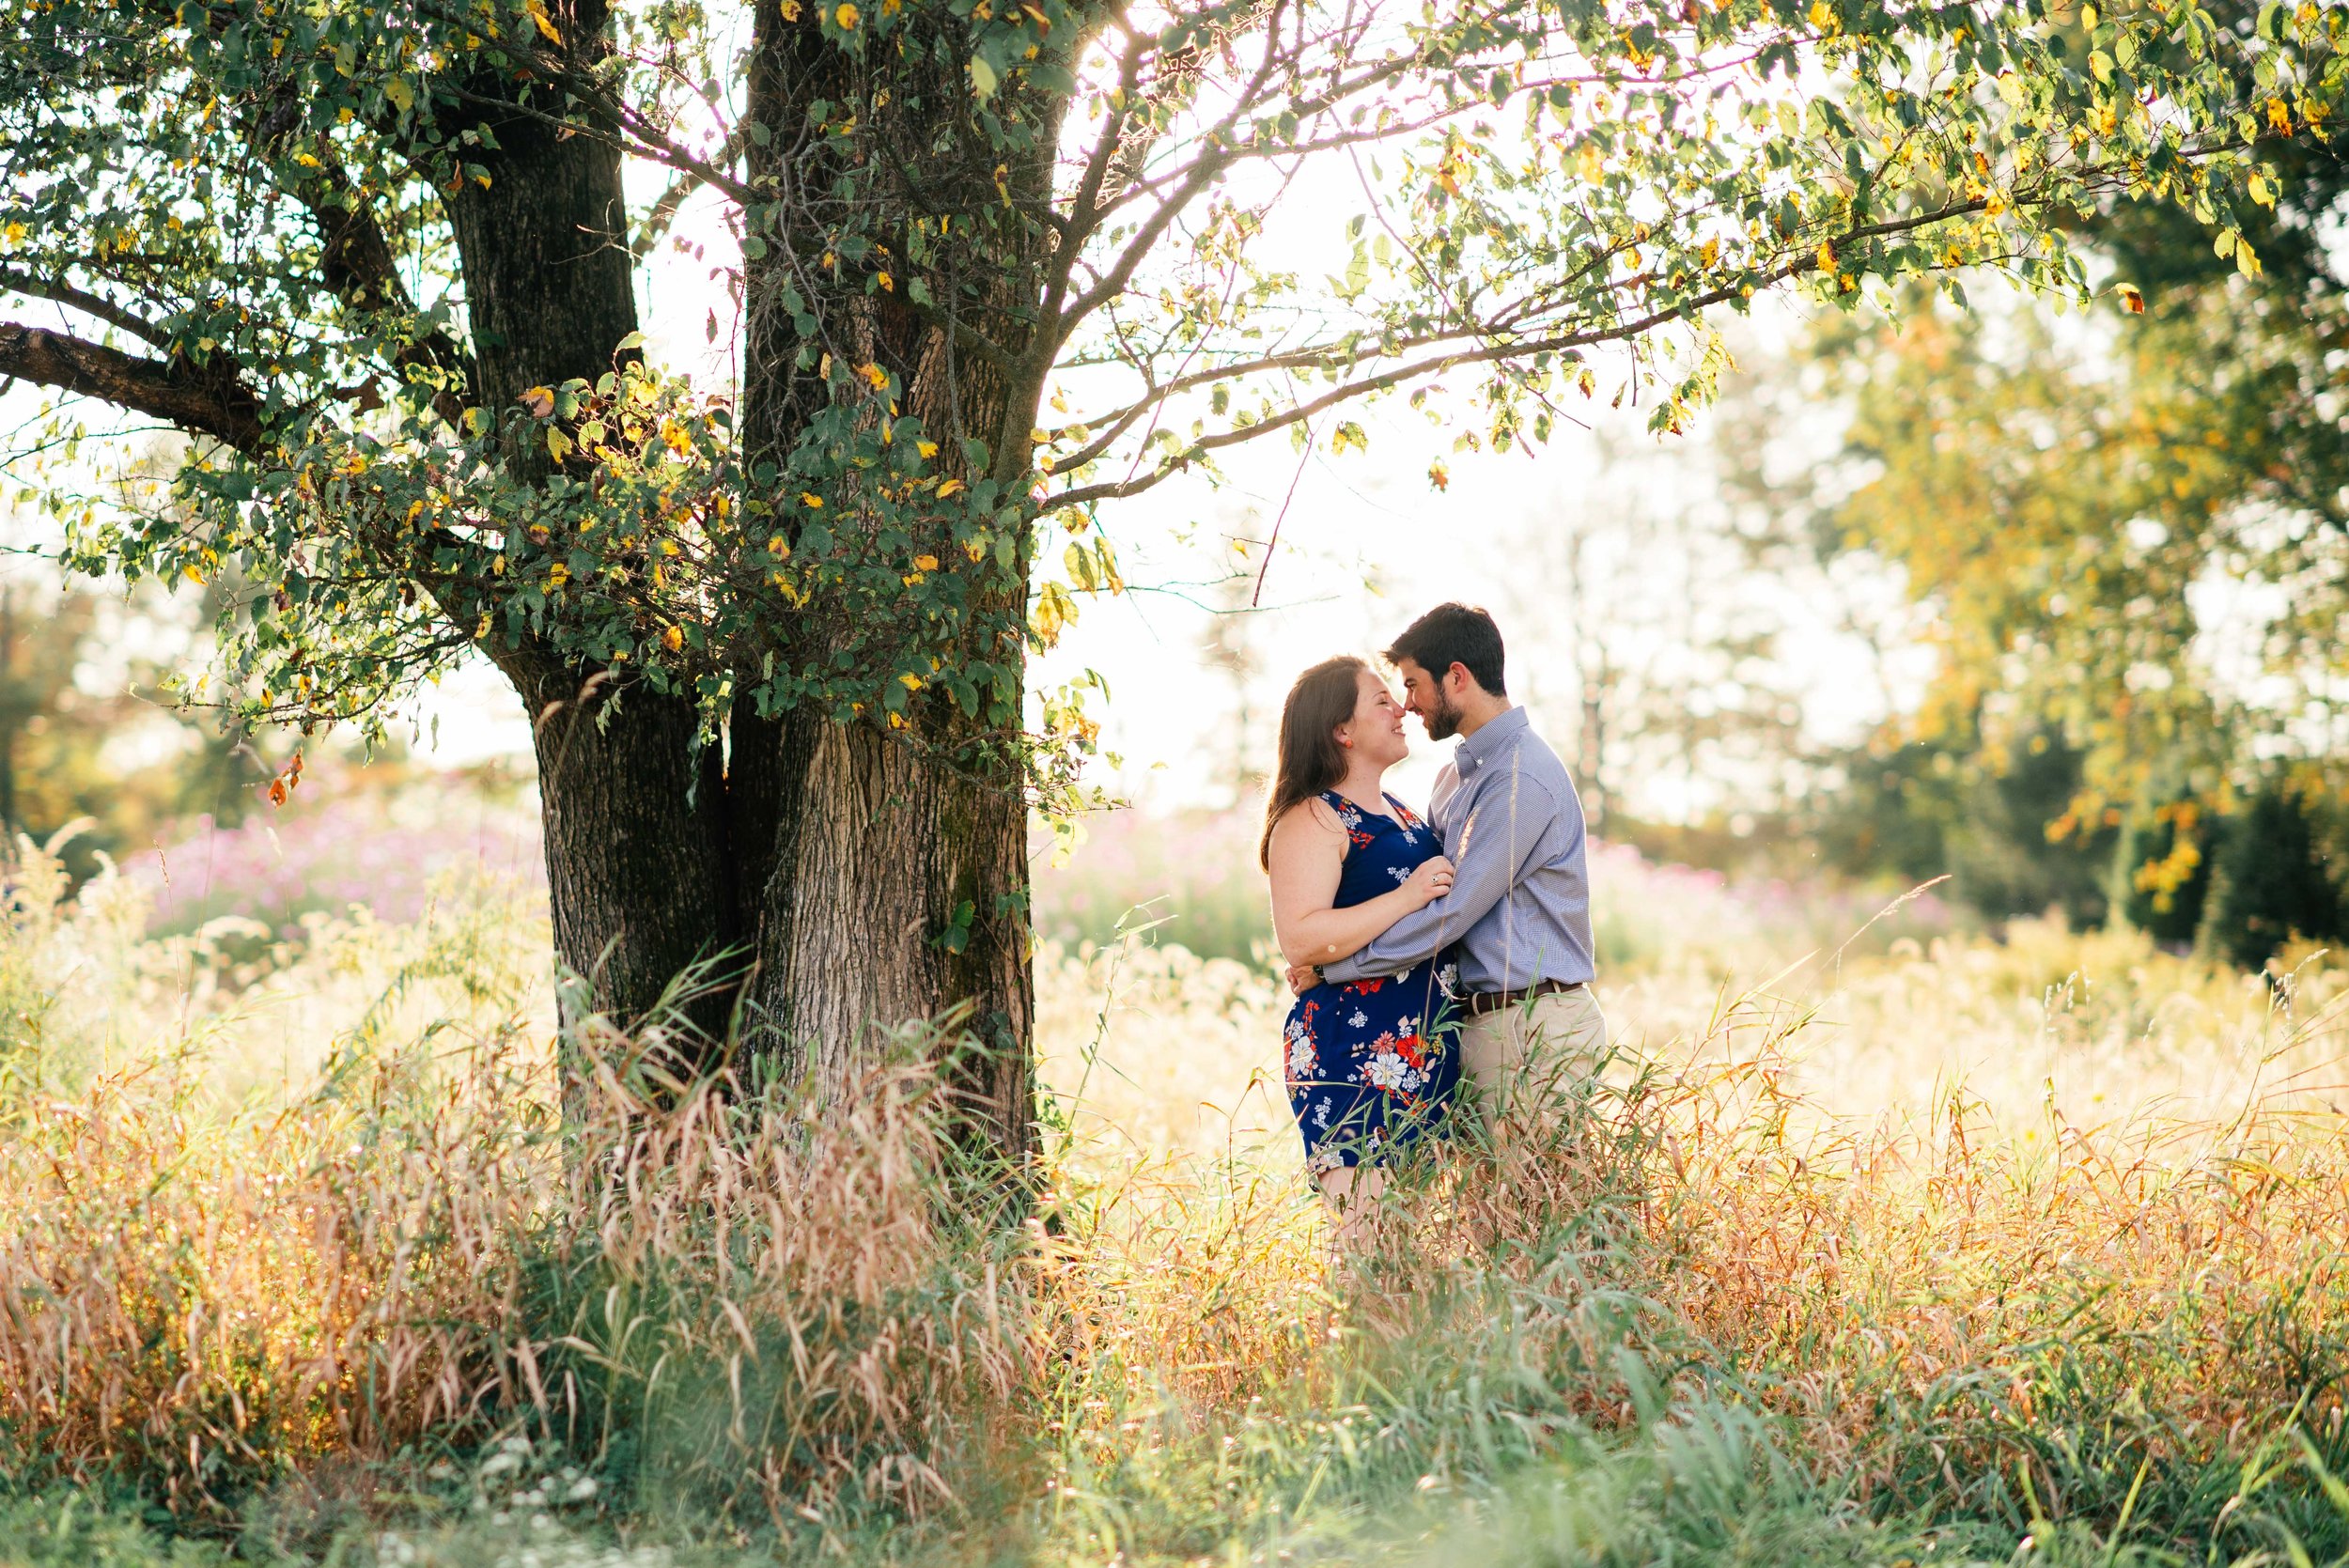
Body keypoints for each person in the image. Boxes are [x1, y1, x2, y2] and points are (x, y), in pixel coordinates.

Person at [1289, 603, 1604, 1136]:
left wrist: (1334, 969)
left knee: (1542, 1208)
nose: (1408, 705)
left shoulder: (1520, 779)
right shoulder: (1451, 782)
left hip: (1534, 1023)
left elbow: (1450, 913)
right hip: (1472, 1029)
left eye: (1413, 685)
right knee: (1493, 1215)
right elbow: (1423, 891)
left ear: (1456, 678)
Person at [1261, 655, 1463, 1244]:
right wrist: (1408, 896)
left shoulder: (1400, 812)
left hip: (1422, 1053)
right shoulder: (1313, 817)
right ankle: (1358, 1341)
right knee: (1368, 1249)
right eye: (1381, 700)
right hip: (1352, 1056)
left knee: (1407, 1255)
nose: (1401, 708)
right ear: (1341, 731)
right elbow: (1300, 937)